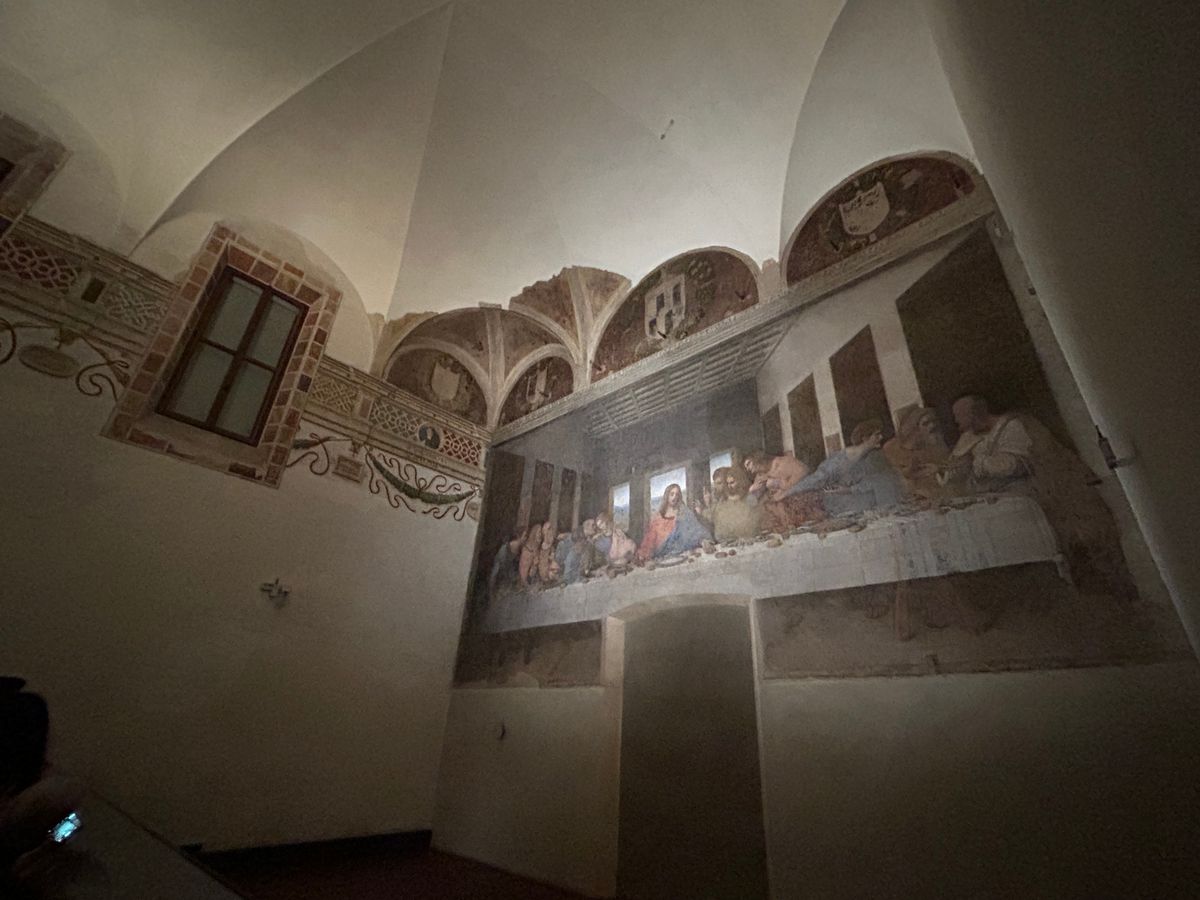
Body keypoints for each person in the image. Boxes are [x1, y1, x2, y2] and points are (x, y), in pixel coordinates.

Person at [948, 395, 1135, 598]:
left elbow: (1014, 466)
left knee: (1079, 547)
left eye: (960, 417)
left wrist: (981, 463)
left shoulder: (1013, 426)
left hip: (1045, 499)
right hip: (1011, 506)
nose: (958, 424)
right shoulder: (973, 436)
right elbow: (957, 471)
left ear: (976, 414)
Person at [784, 419, 904, 516]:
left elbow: (873, 482)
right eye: (876, 434)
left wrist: (850, 489)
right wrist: (789, 492)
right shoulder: (839, 459)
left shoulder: (873, 457)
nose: (881, 437)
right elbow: (816, 479)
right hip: (840, 509)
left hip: (868, 508)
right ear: (865, 438)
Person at [883, 406, 953, 501]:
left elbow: (947, 471)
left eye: (933, 422)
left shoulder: (937, 444)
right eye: (926, 423)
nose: (932, 426)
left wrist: (938, 470)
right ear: (914, 429)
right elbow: (894, 478)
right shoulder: (892, 447)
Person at [744, 451, 826, 531]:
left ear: (757, 459)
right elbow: (751, 502)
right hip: (782, 515)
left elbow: (804, 472)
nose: (748, 469)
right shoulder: (760, 475)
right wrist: (751, 491)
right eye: (746, 467)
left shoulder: (783, 462)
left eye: (748, 464)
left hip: (801, 505)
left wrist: (779, 484)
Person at [637, 484, 711, 561]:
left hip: (684, 555)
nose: (674, 497)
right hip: (663, 558)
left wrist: (704, 541)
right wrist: (643, 554)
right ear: (667, 496)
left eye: (677, 494)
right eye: (672, 494)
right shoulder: (657, 518)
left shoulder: (684, 513)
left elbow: (696, 530)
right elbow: (649, 540)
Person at [711, 466, 762, 540]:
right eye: (716, 483)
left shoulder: (749, 498)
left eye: (719, 483)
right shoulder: (720, 502)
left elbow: (752, 524)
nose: (716, 487)